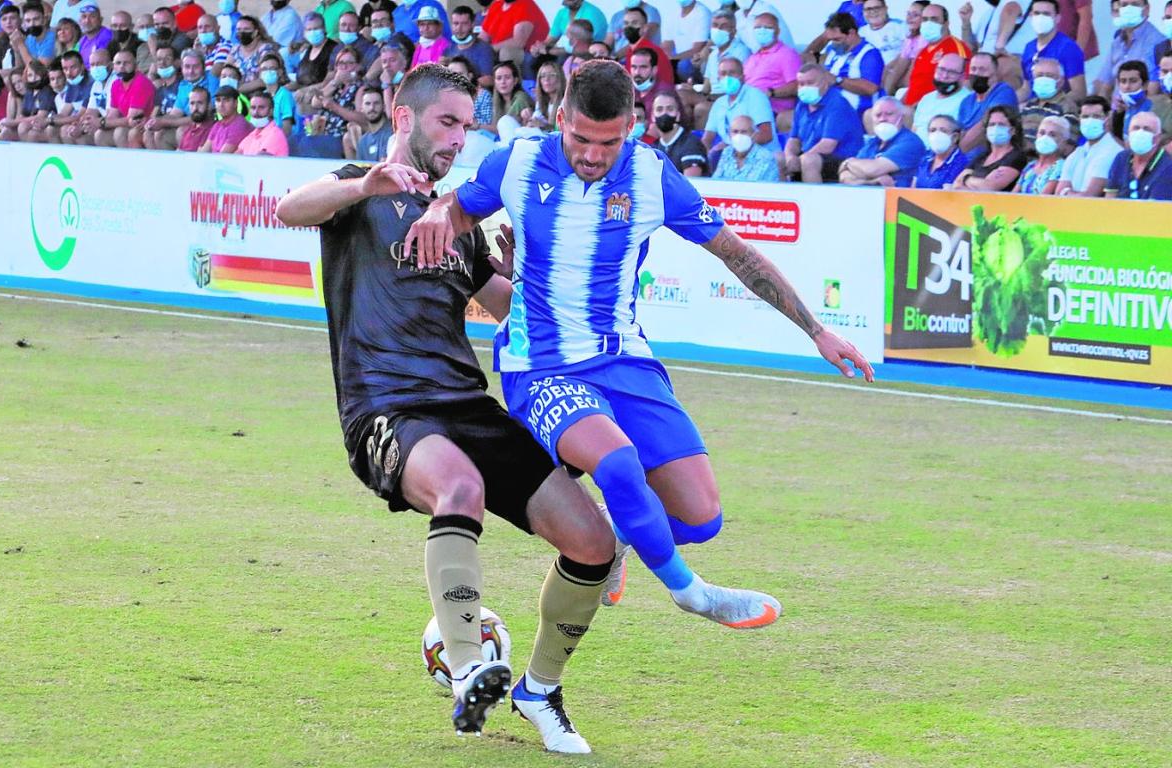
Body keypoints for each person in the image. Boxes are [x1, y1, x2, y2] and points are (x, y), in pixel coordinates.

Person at [405, 59, 874, 640]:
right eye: (581, 138)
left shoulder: (652, 176)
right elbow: (457, 208)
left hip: (623, 357)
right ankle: (692, 593)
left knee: (700, 516)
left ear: (631, 127)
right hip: (541, 365)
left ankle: (619, 532)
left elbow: (737, 254)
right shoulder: (518, 161)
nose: (593, 155)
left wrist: (817, 331)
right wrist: (436, 209)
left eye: (609, 142)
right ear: (560, 118)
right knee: (618, 463)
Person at [275, 63, 615, 754]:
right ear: (404, 118)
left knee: (594, 543)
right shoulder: (357, 191)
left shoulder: (456, 221)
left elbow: (509, 309)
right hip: (386, 407)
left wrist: (530, 272)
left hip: (467, 403)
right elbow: (289, 208)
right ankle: (467, 670)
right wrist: (364, 184)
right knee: (459, 488)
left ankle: (540, 690)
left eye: (467, 126)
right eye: (448, 122)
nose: (460, 138)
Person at [785, 63, 864, 183]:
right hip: (812, 155)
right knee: (779, 159)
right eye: (801, 84)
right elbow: (794, 139)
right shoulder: (802, 105)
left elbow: (828, 145)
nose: (805, 87)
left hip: (842, 161)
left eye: (810, 83)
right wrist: (790, 156)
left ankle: (813, 195)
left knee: (808, 160)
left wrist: (800, 160)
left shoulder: (837, 104)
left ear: (825, 83)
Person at [841, 96, 924, 186]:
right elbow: (844, 175)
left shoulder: (910, 142)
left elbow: (873, 170)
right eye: (878, 115)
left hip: (900, 194)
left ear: (901, 117)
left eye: (889, 114)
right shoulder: (872, 143)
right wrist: (871, 182)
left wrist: (848, 163)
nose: (882, 119)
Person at [901, 3, 970, 108]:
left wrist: (915, 108)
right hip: (909, 109)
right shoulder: (923, 51)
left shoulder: (955, 47)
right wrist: (899, 105)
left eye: (934, 19)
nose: (928, 24)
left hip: (931, 110)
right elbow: (913, 86)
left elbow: (965, 85)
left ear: (946, 23)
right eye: (925, 19)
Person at [702, 54, 775, 153]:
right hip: (731, 157)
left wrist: (732, 146)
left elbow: (766, 135)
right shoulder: (719, 103)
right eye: (723, 74)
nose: (727, 77)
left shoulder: (756, 96)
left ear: (742, 77)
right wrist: (706, 153)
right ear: (718, 79)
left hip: (762, 154)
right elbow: (707, 138)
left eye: (732, 73)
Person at [1055, 95, 1124, 197]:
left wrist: (1067, 193)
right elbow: (1058, 193)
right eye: (1085, 117)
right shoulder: (1077, 152)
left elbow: (1090, 195)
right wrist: (1071, 194)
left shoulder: (1113, 151)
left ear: (1107, 118)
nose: (1090, 121)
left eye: (1096, 116)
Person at [820, 10, 884, 118]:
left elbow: (871, 88)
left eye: (837, 39)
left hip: (855, 114)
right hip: (829, 110)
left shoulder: (869, 54)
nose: (833, 43)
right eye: (831, 40)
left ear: (851, 33)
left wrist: (837, 80)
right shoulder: (833, 51)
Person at [1020, 0, 1086, 101]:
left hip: (1057, 108)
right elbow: (1026, 89)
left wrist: (1051, 104)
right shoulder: (1029, 48)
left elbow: (1079, 93)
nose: (1041, 18)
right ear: (1030, 16)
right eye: (1037, 13)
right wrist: (1007, 102)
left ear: (1057, 18)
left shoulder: (1068, 48)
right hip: (1031, 107)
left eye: (1046, 14)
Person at [1097, 0, 1162, 100]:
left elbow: (1153, 90)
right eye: (1124, 5)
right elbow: (1105, 85)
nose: (1128, 9)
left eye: (1135, 4)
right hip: (1116, 107)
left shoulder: (1157, 42)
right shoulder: (1117, 42)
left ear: (1146, 9)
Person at [951, 104, 1027, 190]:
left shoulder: (1016, 157)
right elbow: (957, 184)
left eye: (1001, 124)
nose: (995, 128)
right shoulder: (981, 157)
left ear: (1012, 130)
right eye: (991, 124)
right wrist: (975, 184)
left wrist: (966, 179)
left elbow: (989, 187)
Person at [742, 12, 799, 119]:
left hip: (771, 110)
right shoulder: (753, 57)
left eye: (768, 27)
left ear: (777, 31)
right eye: (758, 28)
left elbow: (796, 86)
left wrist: (771, 92)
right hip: (748, 106)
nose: (762, 31)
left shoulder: (787, 54)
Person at [957, 51, 1018, 150]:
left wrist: (959, 151)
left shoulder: (1004, 92)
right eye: (973, 69)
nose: (977, 73)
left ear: (995, 73)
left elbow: (985, 125)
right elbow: (959, 132)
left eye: (982, 70)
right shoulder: (967, 101)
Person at [1105, 111, 1172, 199]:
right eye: (1136, 128)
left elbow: (1156, 205)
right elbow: (1109, 198)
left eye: (1147, 129)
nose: (1140, 132)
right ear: (1129, 134)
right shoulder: (1121, 158)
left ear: (1157, 138)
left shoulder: (1167, 167)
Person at [1019, 56, 1079, 145]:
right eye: (1039, 75)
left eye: (1049, 76)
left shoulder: (1067, 107)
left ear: (1061, 81)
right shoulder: (1029, 105)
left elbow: (1068, 143)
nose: (1043, 79)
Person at [910, 51, 969, 140]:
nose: (945, 76)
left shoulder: (968, 101)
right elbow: (914, 130)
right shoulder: (927, 98)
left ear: (962, 77)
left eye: (952, 72)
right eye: (941, 69)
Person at [651, 91, 709, 175]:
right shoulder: (654, 147)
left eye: (670, 109)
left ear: (678, 115)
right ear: (653, 116)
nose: (664, 113)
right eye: (659, 109)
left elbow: (690, 181)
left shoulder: (691, 145)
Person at [883, 0, 929, 96]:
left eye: (915, 15)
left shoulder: (925, 39)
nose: (909, 18)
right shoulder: (910, 38)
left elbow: (913, 73)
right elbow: (897, 65)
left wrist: (895, 86)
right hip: (900, 87)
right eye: (908, 14)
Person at [712, 113, 778, 181]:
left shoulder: (766, 157)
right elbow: (716, 180)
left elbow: (764, 186)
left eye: (744, 132)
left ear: (754, 135)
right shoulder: (727, 152)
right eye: (735, 131)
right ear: (729, 135)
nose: (739, 135)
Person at [912, 113, 970, 188]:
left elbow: (949, 192)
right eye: (933, 130)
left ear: (955, 137)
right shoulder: (925, 159)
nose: (937, 134)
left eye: (943, 131)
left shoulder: (961, 163)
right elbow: (913, 187)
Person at [480, 0, 548, 63]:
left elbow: (518, 43)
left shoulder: (526, 4)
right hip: (496, 52)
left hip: (529, 54)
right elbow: (483, 37)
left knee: (506, 52)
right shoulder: (496, 5)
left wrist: (489, 49)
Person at [1016, 114, 1070, 193]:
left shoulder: (1060, 166)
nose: (1045, 138)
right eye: (1042, 133)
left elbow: (1044, 197)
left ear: (1063, 141)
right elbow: (1014, 194)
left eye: (1052, 135)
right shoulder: (1030, 166)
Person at [621, 7, 672, 87]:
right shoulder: (631, 51)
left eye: (634, 23)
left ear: (645, 28)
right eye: (626, 23)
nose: (629, 27)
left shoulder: (651, 51)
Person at [444, 5, 495, 84]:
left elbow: (489, 79)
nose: (459, 28)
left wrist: (465, 84)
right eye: (456, 23)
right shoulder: (448, 47)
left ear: (472, 24)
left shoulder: (484, 49)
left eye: (464, 24)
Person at [199, 84, 251, 152]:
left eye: (226, 100)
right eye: (218, 100)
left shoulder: (239, 125)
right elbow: (204, 151)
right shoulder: (217, 125)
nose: (221, 105)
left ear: (235, 103)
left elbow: (224, 156)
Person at [235, 90, 288, 155]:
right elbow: (236, 157)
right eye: (253, 108)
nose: (256, 112)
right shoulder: (253, 134)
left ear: (271, 111)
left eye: (261, 108)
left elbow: (260, 159)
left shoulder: (275, 134)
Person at [859, 0, 907, 64]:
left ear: (885, 9)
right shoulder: (860, 33)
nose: (872, 12)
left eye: (877, 8)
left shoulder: (901, 27)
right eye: (868, 9)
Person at [1114, 59, 1155, 132]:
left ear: (1145, 85)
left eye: (1133, 81)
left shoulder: (1154, 109)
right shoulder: (1118, 112)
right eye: (1123, 81)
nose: (1127, 86)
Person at [176, 84, 213, 150]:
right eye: (192, 103)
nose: (195, 108)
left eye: (200, 103)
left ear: (209, 105)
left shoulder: (213, 130)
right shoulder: (187, 130)